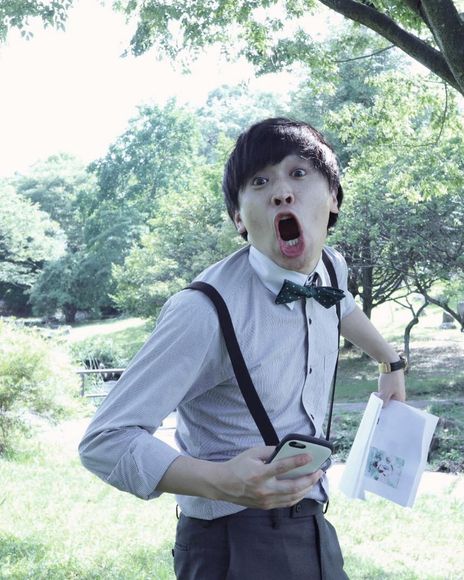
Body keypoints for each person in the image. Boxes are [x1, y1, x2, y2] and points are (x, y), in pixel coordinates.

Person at [79, 118, 406, 579]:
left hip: (312, 525)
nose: (282, 193)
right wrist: (221, 482)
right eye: (260, 182)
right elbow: (104, 441)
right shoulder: (204, 310)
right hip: (230, 543)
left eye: (298, 173)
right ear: (238, 217)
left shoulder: (330, 267)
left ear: (333, 197)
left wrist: (390, 361)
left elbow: (342, 305)